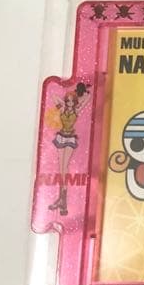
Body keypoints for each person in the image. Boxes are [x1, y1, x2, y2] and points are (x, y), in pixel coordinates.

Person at [49, 83, 89, 216]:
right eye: (68, 101)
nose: (70, 103)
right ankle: (61, 199)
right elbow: (54, 96)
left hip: (70, 138)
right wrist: (65, 102)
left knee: (65, 167)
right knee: (61, 168)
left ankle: (63, 201)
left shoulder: (76, 110)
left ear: (75, 102)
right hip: (61, 137)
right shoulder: (62, 109)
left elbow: (87, 98)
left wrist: (82, 94)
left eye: (72, 101)